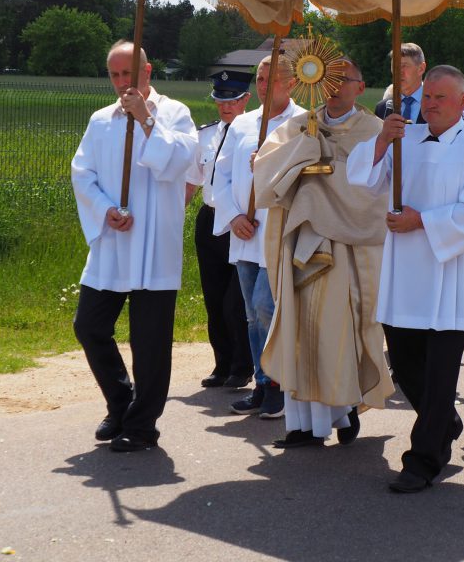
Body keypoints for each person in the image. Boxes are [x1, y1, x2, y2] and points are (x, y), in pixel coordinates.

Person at [347, 65, 464, 492]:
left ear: (462, 101)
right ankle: (444, 420)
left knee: (440, 372)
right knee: (404, 364)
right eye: (427, 97)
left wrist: (423, 221)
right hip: (406, 273)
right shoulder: (404, 138)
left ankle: (423, 461)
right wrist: (382, 139)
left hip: (451, 271)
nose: (431, 105)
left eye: (441, 98)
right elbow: (362, 179)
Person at [255, 59, 394, 449]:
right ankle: (302, 426)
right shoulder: (300, 126)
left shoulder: (375, 131)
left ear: (360, 86)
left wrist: (322, 185)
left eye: (343, 79)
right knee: (300, 328)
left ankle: (344, 409)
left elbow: (377, 192)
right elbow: (266, 171)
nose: (334, 87)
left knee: (338, 332)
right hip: (302, 243)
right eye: (328, 79)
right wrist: (304, 152)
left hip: (348, 250)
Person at [70, 41, 198, 452]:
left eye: (129, 73)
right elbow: (82, 173)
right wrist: (105, 209)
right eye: (115, 74)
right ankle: (121, 402)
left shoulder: (175, 113)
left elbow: (180, 163)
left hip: (154, 243)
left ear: (148, 71)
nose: (122, 82)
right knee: (89, 326)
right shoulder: (101, 120)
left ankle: (142, 426)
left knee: (150, 341)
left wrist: (146, 120)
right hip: (113, 239)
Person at [213, 54, 304, 419]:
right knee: (251, 313)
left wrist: (270, 166)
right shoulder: (242, 124)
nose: (264, 86)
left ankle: (279, 382)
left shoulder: (302, 123)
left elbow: (307, 177)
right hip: (245, 231)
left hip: (279, 232)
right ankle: (262, 381)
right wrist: (233, 216)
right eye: (261, 79)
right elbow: (221, 175)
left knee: (268, 306)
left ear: (291, 83)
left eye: (272, 79)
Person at [186, 70, 254, 390]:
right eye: (220, 100)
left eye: (233, 100)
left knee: (235, 303)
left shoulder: (253, 132)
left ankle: (243, 366)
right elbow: (192, 180)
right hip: (210, 218)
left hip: (240, 223)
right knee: (214, 299)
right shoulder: (206, 135)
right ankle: (222, 364)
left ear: (246, 99)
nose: (225, 107)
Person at [375, 43, 427, 123]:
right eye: (394, 66)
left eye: (404, 66)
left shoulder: (436, 105)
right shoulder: (382, 108)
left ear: (421, 69)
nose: (398, 72)